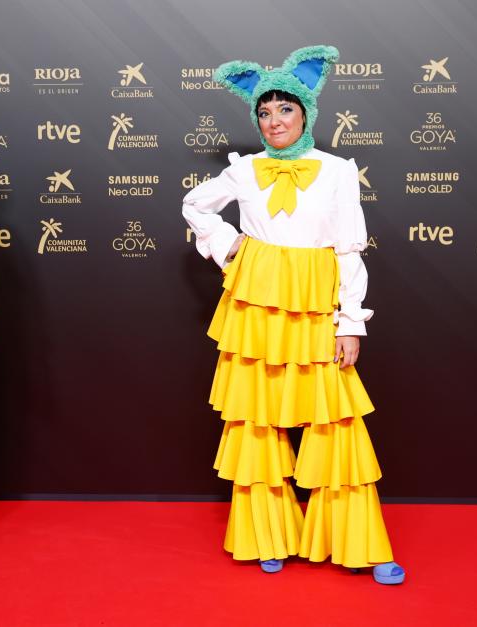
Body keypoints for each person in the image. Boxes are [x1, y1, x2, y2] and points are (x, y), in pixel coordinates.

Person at [182, 46, 405, 584]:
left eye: (285, 109)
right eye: (264, 112)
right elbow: (194, 205)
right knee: (256, 423)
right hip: (256, 313)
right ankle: (268, 536)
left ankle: (358, 545)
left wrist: (351, 323)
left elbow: (349, 249)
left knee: (336, 423)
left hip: (315, 307)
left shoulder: (336, 171)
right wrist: (231, 245)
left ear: (306, 113)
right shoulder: (245, 170)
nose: (274, 121)